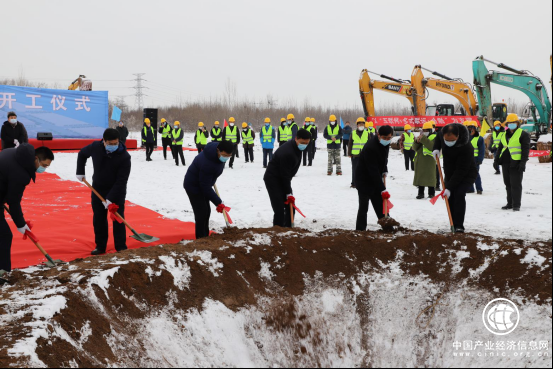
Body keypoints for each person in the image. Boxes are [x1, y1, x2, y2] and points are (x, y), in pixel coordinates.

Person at [0, 144, 54, 272]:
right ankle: (3, 272)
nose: (44, 169)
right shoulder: (21, 173)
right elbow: (14, 202)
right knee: (4, 235)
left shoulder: (14, 152)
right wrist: (21, 224)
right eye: (44, 166)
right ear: (36, 159)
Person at [76, 128, 131, 255]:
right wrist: (80, 171)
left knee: (118, 218)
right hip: (98, 189)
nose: (113, 146)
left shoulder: (124, 157)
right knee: (99, 219)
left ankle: (120, 247)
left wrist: (110, 198)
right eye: (110, 144)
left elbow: (122, 181)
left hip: (116, 191)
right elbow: (82, 154)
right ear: (104, 141)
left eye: (115, 143)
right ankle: (100, 246)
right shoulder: (96, 147)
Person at [183, 140, 234, 239]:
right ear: (218, 150)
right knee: (201, 212)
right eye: (224, 155)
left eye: (229, 156)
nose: (226, 158)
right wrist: (218, 202)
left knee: (207, 210)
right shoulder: (208, 163)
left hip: (204, 182)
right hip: (193, 185)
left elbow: (207, 181)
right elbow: (204, 186)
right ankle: (201, 239)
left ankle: (205, 235)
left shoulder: (217, 154)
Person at [432, 123, 478, 233]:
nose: (448, 142)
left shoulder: (466, 147)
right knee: (450, 197)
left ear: (457, 137)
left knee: (458, 194)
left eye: (452, 140)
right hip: (450, 172)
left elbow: (461, 170)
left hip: (466, 173)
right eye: (446, 140)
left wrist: (448, 187)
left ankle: (459, 226)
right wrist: (436, 148)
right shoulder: (443, 136)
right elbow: (438, 137)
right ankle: (452, 222)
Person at [264, 129, 312, 227]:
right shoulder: (288, 153)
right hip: (273, 179)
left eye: (307, 143)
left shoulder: (297, 147)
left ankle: (289, 230)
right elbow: (284, 175)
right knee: (279, 208)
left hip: (283, 178)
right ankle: (278, 231)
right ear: (296, 139)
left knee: (290, 205)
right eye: (303, 143)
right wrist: (288, 192)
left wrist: (288, 193)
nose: (305, 145)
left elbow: (286, 175)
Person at [355, 125, 394, 231]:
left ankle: (388, 227)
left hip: (375, 178)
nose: (386, 140)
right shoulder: (370, 148)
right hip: (363, 179)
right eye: (384, 138)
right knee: (364, 207)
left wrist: (384, 168)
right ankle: (360, 230)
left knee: (380, 204)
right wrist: (382, 189)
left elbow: (384, 158)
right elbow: (373, 171)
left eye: (389, 138)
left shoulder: (385, 144)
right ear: (378, 135)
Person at [494, 114, 531, 212]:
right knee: (508, 184)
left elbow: (525, 150)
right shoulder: (503, 134)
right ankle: (510, 203)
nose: (511, 125)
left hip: (516, 163)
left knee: (516, 184)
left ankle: (516, 205)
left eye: (513, 123)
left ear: (517, 123)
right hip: (505, 162)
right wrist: (496, 160)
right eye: (509, 123)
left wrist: (523, 163)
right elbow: (500, 148)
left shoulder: (523, 134)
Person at [412, 122, 437, 199]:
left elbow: (431, 146)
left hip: (430, 161)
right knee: (420, 176)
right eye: (424, 130)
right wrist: (417, 142)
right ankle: (421, 193)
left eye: (426, 130)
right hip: (420, 160)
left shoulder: (434, 137)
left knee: (430, 177)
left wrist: (423, 139)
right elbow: (414, 148)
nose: (425, 132)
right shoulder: (421, 137)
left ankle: (431, 193)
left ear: (430, 130)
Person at [348, 118, 370, 189]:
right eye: (360, 124)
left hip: (365, 155)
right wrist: (349, 153)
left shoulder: (367, 133)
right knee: (355, 170)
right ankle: (354, 183)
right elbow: (350, 144)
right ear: (357, 125)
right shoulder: (353, 133)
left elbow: (370, 144)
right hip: (355, 155)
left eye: (362, 124)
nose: (361, 125)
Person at [466, 121, 485, 195]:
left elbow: (482, 150)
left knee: (475, 174)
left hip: (475, 159)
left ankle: (479, 189)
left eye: (472, 129)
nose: (470, 130)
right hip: (467, 159)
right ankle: (470, 189)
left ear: (475, 129)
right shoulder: (467, 138)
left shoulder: (479, 139)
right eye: (469, 128)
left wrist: (480, 159)